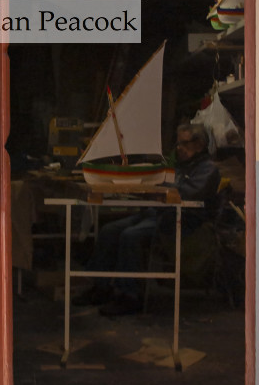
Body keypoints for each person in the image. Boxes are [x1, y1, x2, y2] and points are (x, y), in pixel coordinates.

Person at [74, 122, 220, 316]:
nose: (179, 149)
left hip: (183, 220)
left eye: (184, 144)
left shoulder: (207, 169)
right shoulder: (177, 165)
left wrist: (155, 188)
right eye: (178, 144)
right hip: (159, 212)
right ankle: (101, 287)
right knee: (110, 230)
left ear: (199, 144)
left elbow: (188, 194)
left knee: (130, 235)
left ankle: (129, 295)